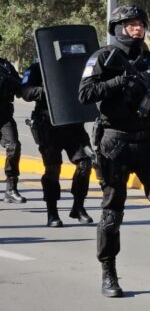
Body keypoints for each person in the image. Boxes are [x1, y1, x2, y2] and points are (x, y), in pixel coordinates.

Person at [79, 4, 150, 297]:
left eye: (141, 24)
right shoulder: (103, 57)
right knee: (112, 213)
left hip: (147, 143)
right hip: (114, 143)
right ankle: (109, 274)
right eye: (132, 24)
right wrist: (120, 80)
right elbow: (85, 94)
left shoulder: (149, 61)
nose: (138, 29)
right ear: (119, 28)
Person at [21, 62, 94, 227]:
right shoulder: (36, 68)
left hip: (73, 123)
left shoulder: (76, 64)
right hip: (48, 124)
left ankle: (78, 206)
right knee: (53, 169)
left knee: (85, 163)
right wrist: (46, 90)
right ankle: (52, 211)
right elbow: (24, 91)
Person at [0, 42, 25, 204]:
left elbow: (20, 89)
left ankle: (11, 188)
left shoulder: (5, 66)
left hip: (3, 115)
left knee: (14, 146)